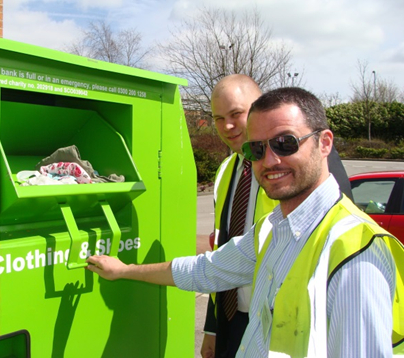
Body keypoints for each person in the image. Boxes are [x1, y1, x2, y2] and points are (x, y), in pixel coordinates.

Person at [86, 87, 404, 357]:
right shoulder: (271, 230)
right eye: (257, 148)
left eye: (285, 143)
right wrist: (124, 270)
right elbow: (204, 270)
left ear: (324, 143)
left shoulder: (354, 252)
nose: (270, 160)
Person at [204, 75, 354, 358]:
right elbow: (221, 249)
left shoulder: (308, 162)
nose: (227, 126)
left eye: (236, 114)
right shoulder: (226, 170)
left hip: (285, 326)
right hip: (232, 321)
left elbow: (334, 244)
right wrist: (213, 327)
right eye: (218, 118)